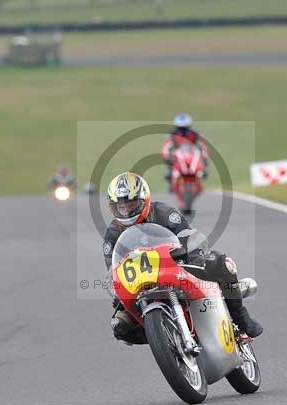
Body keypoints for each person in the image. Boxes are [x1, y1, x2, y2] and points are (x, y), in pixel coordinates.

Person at [102, 172, 262, 344]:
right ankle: (164, 339)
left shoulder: (163, 213)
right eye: (121, 207)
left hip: (175, 266)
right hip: (141, 283)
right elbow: (113, 269)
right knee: (119, 325)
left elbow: (188, 234)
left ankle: (240, 316)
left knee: (221, 263)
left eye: (131, 204)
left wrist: (191, 254)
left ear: (144, 200)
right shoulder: (112, 234)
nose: (126, 210)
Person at [162, 113, 209, 187]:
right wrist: (167, 157)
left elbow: (203, 146)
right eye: (180, 129)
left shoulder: (195, 134)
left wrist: (204, 157)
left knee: (201, 160)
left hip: (192, 154)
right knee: (170, 166)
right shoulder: (172, 135)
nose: (183, 131)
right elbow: (167, 147)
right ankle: (171, 177)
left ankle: (201, 173)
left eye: (185, 129)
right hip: (178, 155)